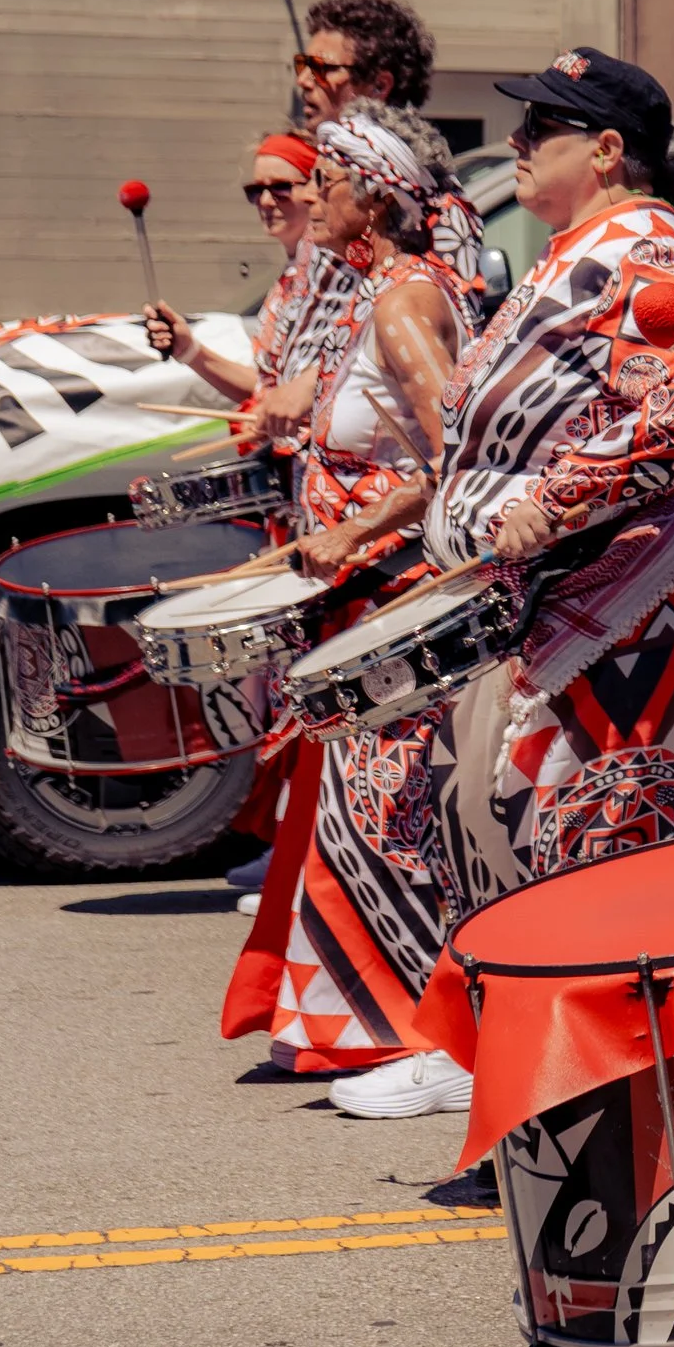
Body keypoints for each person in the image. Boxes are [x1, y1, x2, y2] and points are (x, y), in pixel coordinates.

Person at [326, 47, 674, 1122]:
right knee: (486, 812)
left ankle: (592, 1100)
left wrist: (558, 497)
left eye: (540, 131)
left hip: (643, 602)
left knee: (576, 839)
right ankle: (499, 1053)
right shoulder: (581, 248)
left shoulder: (651, 249)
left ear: (608, 152)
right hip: (560, 596)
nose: (515, 146)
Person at [221, 103, 473, 1081]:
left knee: (387, 819)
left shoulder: (404, 301)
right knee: (361, 816)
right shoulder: (397, 287)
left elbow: (460, 458)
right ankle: (363, 1028)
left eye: (327, 178)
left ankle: (412, 1036)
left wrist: (353, 529)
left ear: (371, 195)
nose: (310, 193)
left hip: (396, 592)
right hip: (367, 594)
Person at [142, 132, 334, 451]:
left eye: (281, 188)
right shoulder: (286, 282)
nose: (266, 201)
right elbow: (270, 390)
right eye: (256, 190)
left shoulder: (336, 275)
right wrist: (188, 349)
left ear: (316, 189)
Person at [294, 0, 485, 294]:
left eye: (321, 68)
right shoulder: (331, 185)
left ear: (380, 85)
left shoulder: (429, 198)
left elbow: (437, 315)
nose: (304, 80)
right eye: (302, 64)